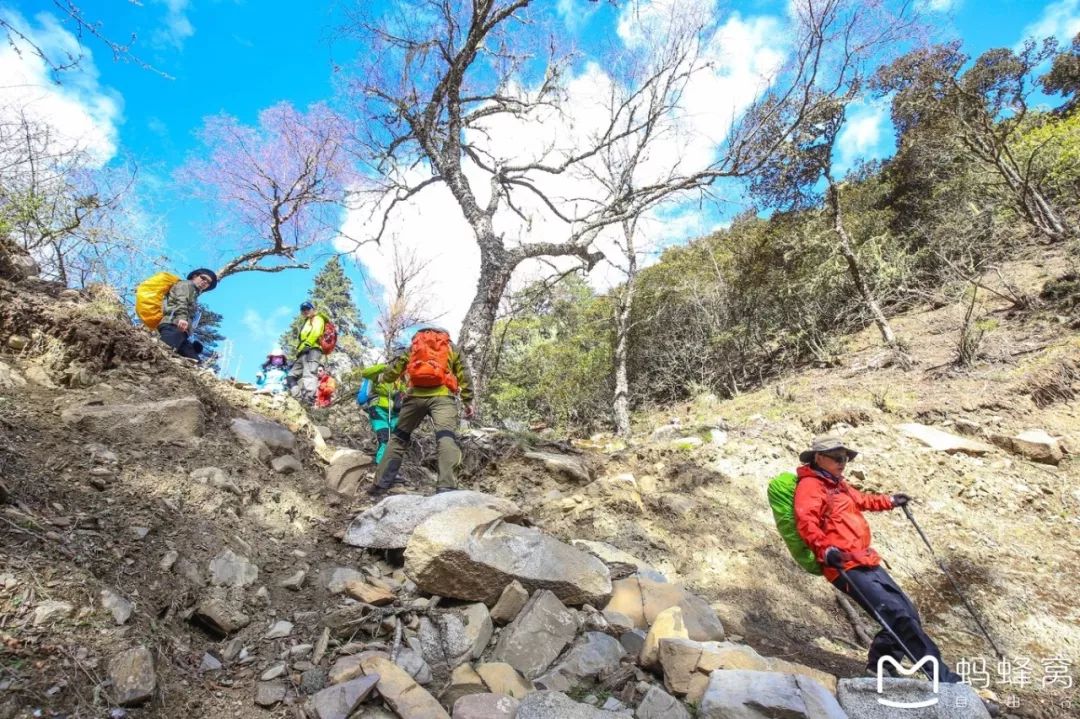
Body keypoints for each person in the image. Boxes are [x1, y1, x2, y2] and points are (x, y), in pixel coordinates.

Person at [793, 434, 961, 682]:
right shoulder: (811, 486)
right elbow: (806, 523)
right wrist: (826, 551)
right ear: (819, 458)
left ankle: (881, 666)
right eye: (837, 458)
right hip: (843, 565)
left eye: (846, 458)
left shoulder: (838, 484)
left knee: (908, 613)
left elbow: (863, 500)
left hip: (864, 559)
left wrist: (890, 501)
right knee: (898, 616)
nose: (843, 462)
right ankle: (944, 680)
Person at [367, 327, 474, 497]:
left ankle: (380, 485)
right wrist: (468, 400)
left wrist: (383, 378)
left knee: (398, 438)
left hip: (414, 396)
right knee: (445, 437)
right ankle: (446, 486)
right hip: (443, 397)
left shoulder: (415, 346)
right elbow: (464, 374)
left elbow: (396, 368)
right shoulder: (451, 347)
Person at [357, 343, 407, 465]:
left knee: (396, 440)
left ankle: (392, 468)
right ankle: (381, 466)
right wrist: (385, 367)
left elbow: (404, 393)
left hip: (394, 412)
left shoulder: (402, 378)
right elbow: (365, 373)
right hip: (378, 408)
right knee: (384, 437)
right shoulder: (381, 372)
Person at [159, 268, 218, 360]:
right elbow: (181, 300)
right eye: (203, 278)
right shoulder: (186, 284)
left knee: (195, 361)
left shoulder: (194, 293)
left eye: (208, 282)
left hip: (182, 330)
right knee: (161, 352)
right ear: (194, 276)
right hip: (173, 324)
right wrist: (181, 318)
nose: (205, 282)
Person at [287, 301, 325, 404]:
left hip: (312, 349)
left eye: (308, 309)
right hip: (302, 352)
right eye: (303, 310)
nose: (305, 311)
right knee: (291, 375)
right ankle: (298, 398)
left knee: (309, 374)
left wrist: (308, 344)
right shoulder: (307, 322)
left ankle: (308, 400)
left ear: (313, 309)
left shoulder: (318, 319)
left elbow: (316, 331)